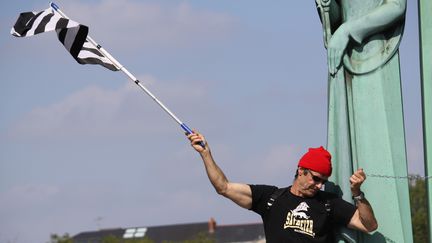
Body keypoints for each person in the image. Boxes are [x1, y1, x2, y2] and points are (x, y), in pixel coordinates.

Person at [187, 131, 377, 243]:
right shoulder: (271, 198)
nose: (319, 186)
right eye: (316, 178)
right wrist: (206, 154)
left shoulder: (329, 204)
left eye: (323, 181)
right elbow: (224, 187)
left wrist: (357, 194)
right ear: (301, 170)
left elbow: (369, 226)